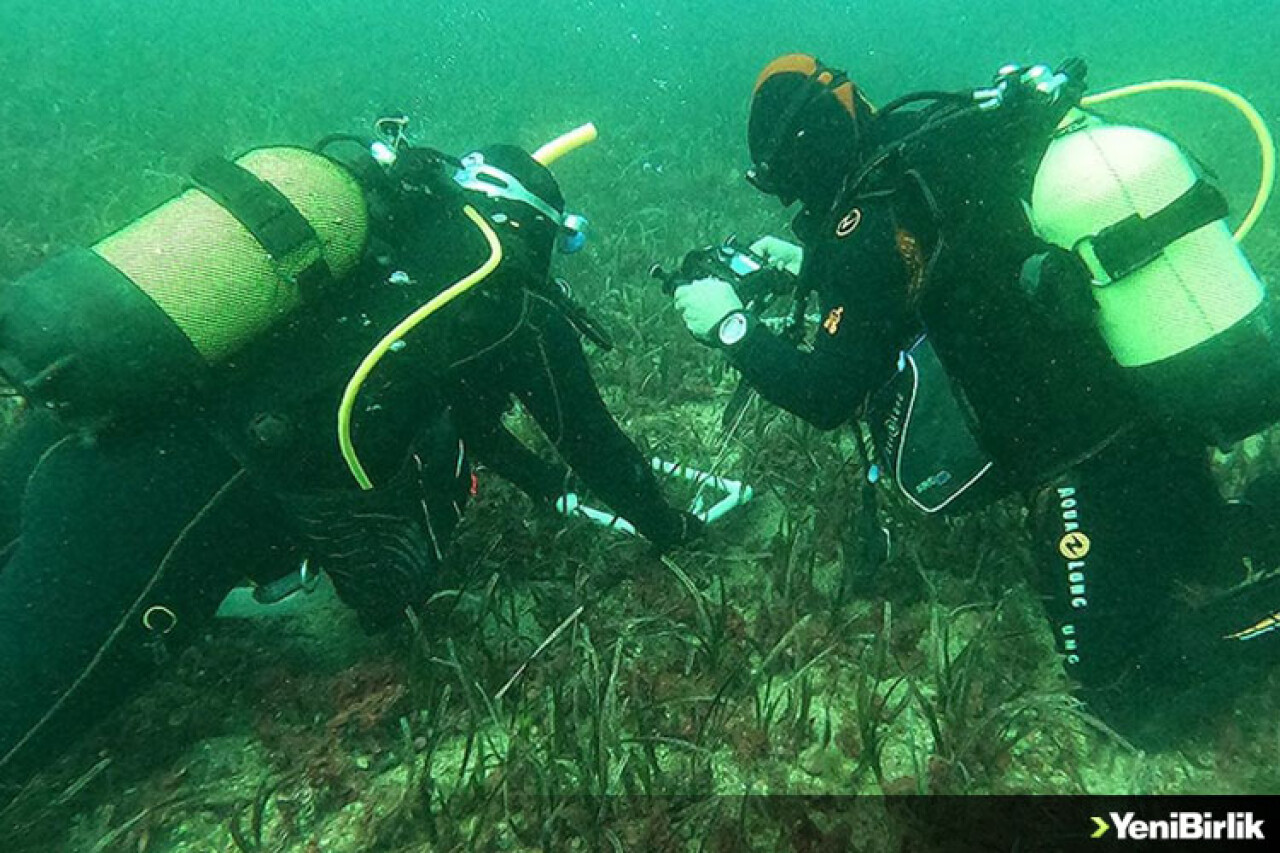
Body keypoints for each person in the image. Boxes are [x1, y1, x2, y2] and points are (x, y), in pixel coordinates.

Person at [0, 126, 696, 803]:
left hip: (91, 401)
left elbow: (463, 412)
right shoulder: (509, 306)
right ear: (538, 229)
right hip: (172, 492)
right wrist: (672, 528)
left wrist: (543, 483)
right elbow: (596, 444)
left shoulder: (383, 244)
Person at [672, 53, 1280, 734]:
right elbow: (928, 280)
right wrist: (808, 267)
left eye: (786, 184)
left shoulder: (874, 218)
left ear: (801, 154)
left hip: (1086, 457)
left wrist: (731, 328)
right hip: (1145, 397)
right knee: (1216, 548)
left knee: (1125, 695)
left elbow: (828, 393)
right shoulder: (934, 150)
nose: (796, 203)